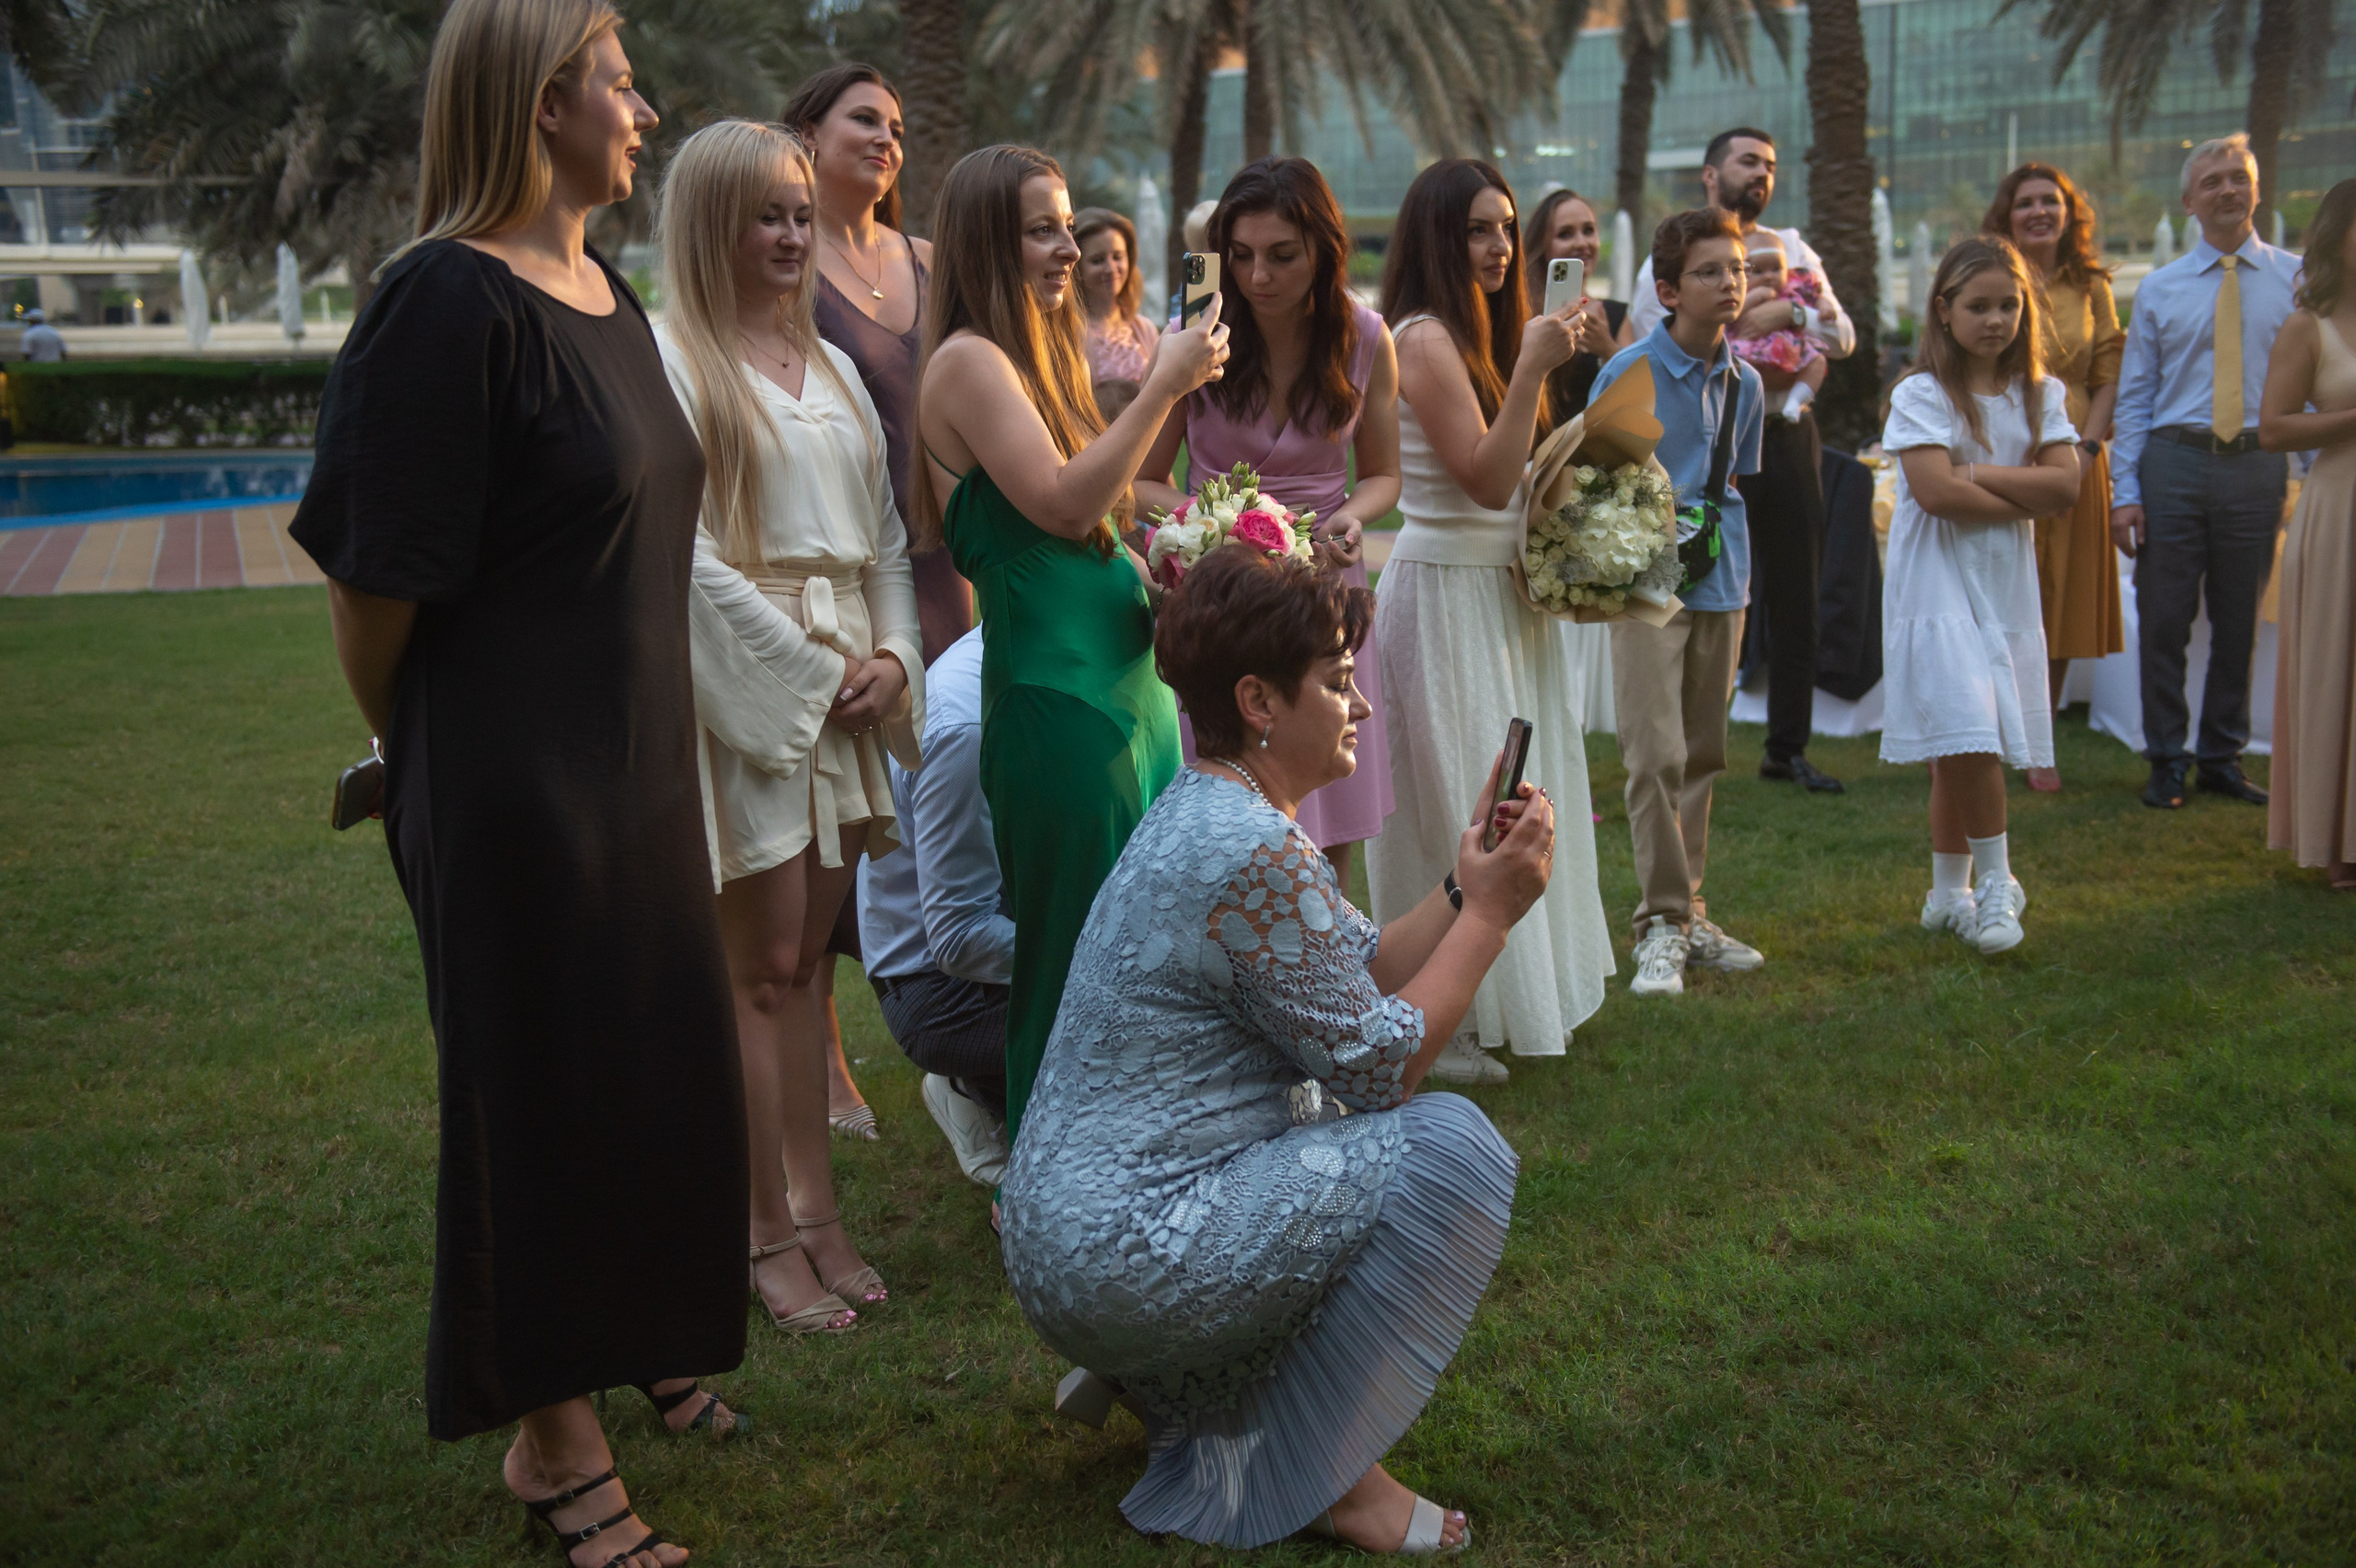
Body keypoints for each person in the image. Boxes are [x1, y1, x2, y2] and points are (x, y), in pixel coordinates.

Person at [290, 3, 746, 1562]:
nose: (643, 105)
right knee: (537, 1105)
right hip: (509, 784)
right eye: (621, 82)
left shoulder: (604, 291)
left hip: (635, 771)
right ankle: (555, 1450)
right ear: (546, 103)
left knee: (644, 1073)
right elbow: (373, 593)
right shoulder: (441, 305)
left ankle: (633, 1345)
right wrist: (446, 755)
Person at [999, 545, 1554, 1553]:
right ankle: (1334, 1477)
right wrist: (1493, 921)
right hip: (1124, 1251)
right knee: (1445, 1149)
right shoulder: (1249, 843)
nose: (1364, 709)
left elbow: (1363, 970)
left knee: (1341, 1136)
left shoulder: (1212, 810)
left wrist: (1467, 883)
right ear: (1259, 699)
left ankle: (1172, 1389)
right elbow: (1380, 1067)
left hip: (1056, 1248)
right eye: (1339, 685)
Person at [656, 120, 918, 1333]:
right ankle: (761, 1233)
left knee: (808, 973)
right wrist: (811, 679)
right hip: (751, 699)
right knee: (756, 975)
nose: (792, 234)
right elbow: (684, 560)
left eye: (802, 213)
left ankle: (818, 1212)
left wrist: (893, 657)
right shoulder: (672, 358)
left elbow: (891, 541)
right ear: (712, 221)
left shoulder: (836, 367)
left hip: (845, 685)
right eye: (766, 212)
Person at [917, 143, 1228, 1140]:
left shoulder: (1039, 361)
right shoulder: (965, 361)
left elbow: (1090, 530)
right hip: (1058, 705)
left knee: (1146, 947)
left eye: (1064, 223)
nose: (1068, 246)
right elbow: (1056, 506)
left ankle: (1142, 1150)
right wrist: (1164, 388)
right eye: (1042, 227)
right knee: (1076, 955)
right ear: (984, 241)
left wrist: (1163, 563)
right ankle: (1061, 1175)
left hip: (1127, 692)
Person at [1369, 156, 1613, 1084]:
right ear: (1437, 235)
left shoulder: (1492, 329)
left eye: (1507, 227)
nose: (1501, 246)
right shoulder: (1424, 338)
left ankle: (1515, 991)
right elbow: (1482, 474)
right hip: (1442, 597)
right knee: (1456, 802)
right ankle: (1442, 1019)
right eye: (1478, 228)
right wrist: (1530, 371)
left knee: (1514, 794)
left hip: (1505, 595)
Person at [783, 63, 968, 1140]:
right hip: (844, 571)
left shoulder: (930, 263)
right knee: (839, 818)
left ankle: (950, 1015)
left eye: (898, 125)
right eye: (864, 119)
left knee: (946, 804)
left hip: (948, 569)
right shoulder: (780, 260)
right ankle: (821, 1052)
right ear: (805, 132)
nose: (887, 139)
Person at [1135, 156, 1402, 886]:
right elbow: (1142, 481)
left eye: (1282, 256)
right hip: (1223, 589)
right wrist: (1218, 521)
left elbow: (1383, 475)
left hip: (1324, 586)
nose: (1258, 278)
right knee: (1223, 803)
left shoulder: (1368, 337)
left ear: (1324, 249)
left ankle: (1319, 974)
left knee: (1328, 806)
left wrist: (1351, 514)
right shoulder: (1195, 330)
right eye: (1242, 257)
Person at [1633, 129, 1854, 794]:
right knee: (1674, 584)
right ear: (1710, 176)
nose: (1762, 173)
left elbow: (1840, 335)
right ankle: (1664, 741)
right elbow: (1655, 347)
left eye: (1770, 164)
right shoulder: (1666, 259)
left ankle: (1787, 748)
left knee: (1794, 591)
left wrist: (1786, 308)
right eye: (1747, 161)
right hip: (1694, 442)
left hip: (1782, 435)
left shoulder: (1795, 250)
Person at [1880, 236, 2081, 953]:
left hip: (2002, 580)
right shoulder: (1921, 393)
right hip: (1936, 580)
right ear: (1945, 310)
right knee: (1967, 728)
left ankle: (1945, 894)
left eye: (2008, 304)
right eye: (1978, 306)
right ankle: (1999, 881)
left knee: (1961, 739)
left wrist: (1977, 479)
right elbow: (1933, 495)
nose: (1995, 319)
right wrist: (2016, 492)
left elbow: (2067, 487)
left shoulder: (2041, 393)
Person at [1588, 208, 1768, 998]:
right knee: (1653, 753)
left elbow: (1736, 482)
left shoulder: (1747, 381)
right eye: (1710, 272)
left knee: (1704, 752)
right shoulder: (1630, 370)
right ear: (1667, 289)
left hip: (1721, 574)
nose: (1730, 283)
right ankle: (1660, 924)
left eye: (1737, 269)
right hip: (1647, 570)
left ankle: (1688, 913)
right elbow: (1592, 481)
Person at [2110, 133, 2302, 811]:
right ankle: (2166, 756)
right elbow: (2134, 398)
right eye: (2212, 180)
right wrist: (2124, 493)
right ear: (2190, 201)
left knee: (2239, 620)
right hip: (2175, 462)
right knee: (2163, 619)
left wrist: (2305, 475)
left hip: (2257, 465)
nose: (2227, 189)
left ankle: (2221, 755)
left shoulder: (2297, 279)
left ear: (2258, 190)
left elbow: (2311, 386)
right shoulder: (2159, 289)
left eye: (2237, 177)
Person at [1982, 161, 2125, 793]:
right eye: (2025, 203)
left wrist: (2088, 452)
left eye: (2051, 201)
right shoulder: (1989, 279)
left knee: (2058, 602)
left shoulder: (2091, 284)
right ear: (2006, 215)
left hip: (2075, 463)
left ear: (2069, 214)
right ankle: (1984, 733)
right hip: (2002, 463)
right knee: (1993, 593)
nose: (2039, 212)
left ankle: (2039, 743)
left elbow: (2109, 375)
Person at [857, 622, 1017, 1182]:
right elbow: (959, 937)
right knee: (1128, 1029)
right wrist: (1109, 952)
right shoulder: (966, 724)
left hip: (997, 941)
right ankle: (967, 1084)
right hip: (936, 989)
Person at [2259, 177, 2356, 890]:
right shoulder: (2308, 326)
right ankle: (2338, 840)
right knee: (2338, 667)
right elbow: (2274, 428)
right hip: (2341, 510)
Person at [1520, 187, 1635, 418]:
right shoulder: (1523, 314)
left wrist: (1607, 349)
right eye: (1565, 234)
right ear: (1543, 246)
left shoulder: (1613, 315)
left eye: (1589, 231)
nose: (1582, 243)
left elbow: (1640, 397)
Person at [1729, 231, 1828, 421]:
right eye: (1757, 272)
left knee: (1818, 361)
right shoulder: (1738, 292)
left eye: (1776, 269)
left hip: (1791, 351)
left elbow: (1819, 300)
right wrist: (1754, 298)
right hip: (1752, 352)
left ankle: (1796, 401)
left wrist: (1818, 309)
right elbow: (1731, 315)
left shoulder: (1795, 287)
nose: (1768, 277)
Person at [1075, 206, 1162, 384]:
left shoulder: (1144, 329)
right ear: (1076, 268)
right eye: (1098, 260)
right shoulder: (1066, 333)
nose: (1110, 269)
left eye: (1117, 257)